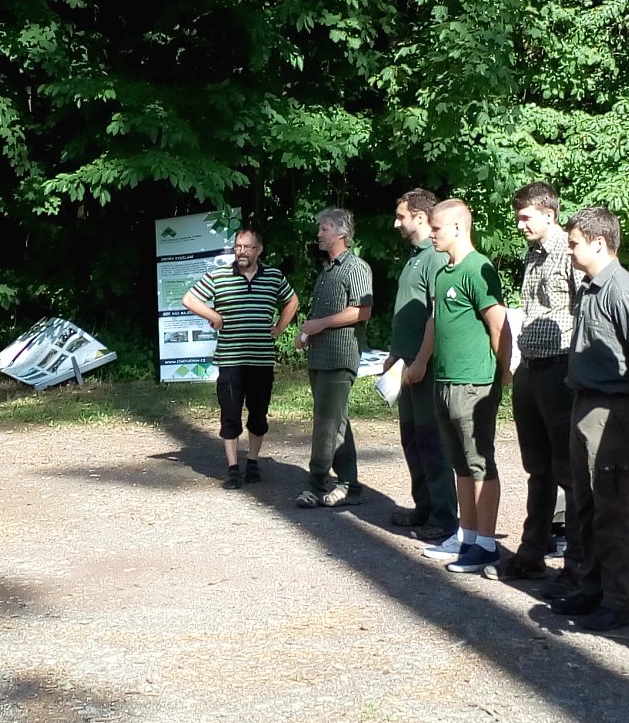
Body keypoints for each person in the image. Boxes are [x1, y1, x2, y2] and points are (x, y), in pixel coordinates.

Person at [549, 207, 629, 633]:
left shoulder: (621, 291)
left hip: (613, 408)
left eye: (574, 243)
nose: (569, 249)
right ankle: (592, 588)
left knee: (611, 505)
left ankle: (619, 602)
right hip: (585, 403)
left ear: (599, 243)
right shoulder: (590, 288)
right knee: (585, 504)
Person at [404, 198, 509, 572]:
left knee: (479, 463)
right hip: (445, 381)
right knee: (460, 464)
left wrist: (504, 373)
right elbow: (435, 321)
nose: (431, 234)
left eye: (436, 228)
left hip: (474, 383)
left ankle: (486, 544)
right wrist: (421, 360)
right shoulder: (444, 272)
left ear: (458, 228)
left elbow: (499, 326)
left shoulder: (478, 269)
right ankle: (467, 535)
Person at [181, 229, 299, 488]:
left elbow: (292, 301)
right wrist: (213, 316)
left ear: (259, 249)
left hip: (261, 360)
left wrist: (280, 327)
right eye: (238, 247)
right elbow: (189, 299)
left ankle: (253, 463)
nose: (241, 252)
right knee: (230, 415)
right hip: (231, 360)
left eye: (247, 247)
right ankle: (233, 468)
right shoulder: (219, 275)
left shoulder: (273, 276)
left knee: (258, 416)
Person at [508, 182, 578, 584]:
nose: (520, 225)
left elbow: (586, 310)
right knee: (537, 468)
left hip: (560, 368)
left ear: (549, 215)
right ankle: (531, 552)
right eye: (518, 217)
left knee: (567, 470)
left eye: (526, 217)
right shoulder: (532, 255)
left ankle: (576, 566)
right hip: (530, 367)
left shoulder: (570, 253)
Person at [293, 209, 373, 509]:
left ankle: (316, 485)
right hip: (320, 357)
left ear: (341, 233)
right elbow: (321, 318)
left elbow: (362, 310)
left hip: (339, 359)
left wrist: (321, 324)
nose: (319, 234)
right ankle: (349, 485)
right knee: (336, 422)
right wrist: (307, 333)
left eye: (324, 229)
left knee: (326, 423)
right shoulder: (327, 271)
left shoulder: (356, 267)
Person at [385, 190, 453, 533]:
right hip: (406, 364)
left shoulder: (435, 258)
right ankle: (423, 506)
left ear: (420, 217)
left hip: (424, 367)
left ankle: (443, 516)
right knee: (411, 438)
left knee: (431, 439)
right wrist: (395, 353)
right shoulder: (415, 257)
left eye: (401, 216)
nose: (396, 223)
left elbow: (436, 315)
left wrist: (422, 361)